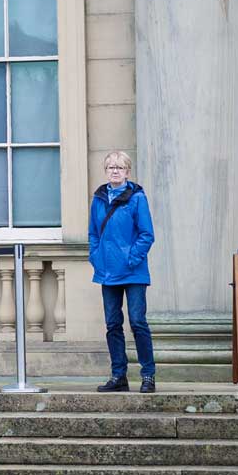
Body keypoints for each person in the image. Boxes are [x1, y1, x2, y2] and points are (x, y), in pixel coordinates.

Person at [89, 149, 156, 393]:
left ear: (127, 171)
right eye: (110, 167)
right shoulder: (98, 199)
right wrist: (96, 258)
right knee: (113, 324)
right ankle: (119, 376)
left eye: (120, 167)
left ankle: (148, 375)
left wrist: (131, 258)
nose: (115, 171)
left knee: (138, 322)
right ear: (105, 171)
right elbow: (94, 234)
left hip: (133, 271)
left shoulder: (137, 198)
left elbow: (147, 234)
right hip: (107, 272)